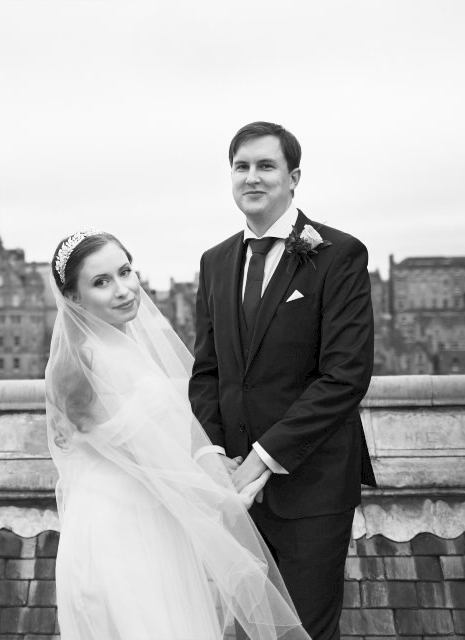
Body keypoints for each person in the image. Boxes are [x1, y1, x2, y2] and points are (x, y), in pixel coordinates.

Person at [45, 229, 311, 640]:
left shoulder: (115, 346)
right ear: (74, 298)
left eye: (125, 271)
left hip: (140, 520)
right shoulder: (95, 360)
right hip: (123, 534)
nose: (123, 290)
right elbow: (154, 461)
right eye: (101, 282)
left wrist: (211, 461)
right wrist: (227, 493)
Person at [189, 121, 376, 640]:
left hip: (311, 491)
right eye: (241, 166)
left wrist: (260, 459)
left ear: (293, 177)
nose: (252, 177)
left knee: (304, 633)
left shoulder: (339, 254)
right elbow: (208, 373)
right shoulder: (215, 261)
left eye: (265, 166)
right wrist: (217, 461)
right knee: (245, 632)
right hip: (234, 495)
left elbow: (345, 377)